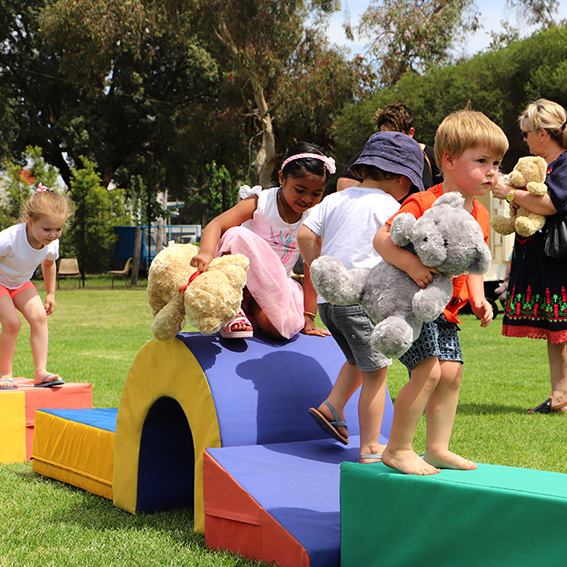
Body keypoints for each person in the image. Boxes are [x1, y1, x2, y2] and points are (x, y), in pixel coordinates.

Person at [374, 109, 509, 474]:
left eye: (496, 162)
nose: (492, 171)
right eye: (481, 161)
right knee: (429, 371)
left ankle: (437, 448)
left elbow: (475, 263)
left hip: (446, 309)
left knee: (451, 374)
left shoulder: (480, 213)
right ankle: (398, 447)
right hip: (413, 305)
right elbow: (382, 240)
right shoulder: (423, 201)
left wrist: (479, 298)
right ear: (448, 160)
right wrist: (413, 266)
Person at [299, 131, 425, 463]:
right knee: (376, 374)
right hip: (362, 302)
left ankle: (332, 407)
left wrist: (316, 267)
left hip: (330, 304)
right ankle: (370, 446)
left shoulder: (335, 199)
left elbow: (305, 234)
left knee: (357, 360)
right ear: (401, 179)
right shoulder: (388, 206)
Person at [190, 142, 333, 340]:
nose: (307, 198)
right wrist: (205, 252)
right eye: (300, 190)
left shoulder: (313, 219)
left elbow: (312, 269)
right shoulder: (262, 202)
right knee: (236, 234)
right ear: (282, 178)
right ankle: (232, 308)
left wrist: (309, 318)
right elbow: (216, 224)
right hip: (240, 281)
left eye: (316, 193)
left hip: (275, 285)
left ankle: (252, 312)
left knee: (280, 331)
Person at [493, 99, 567, 414]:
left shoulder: (564, 164)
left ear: (542, 133)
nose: (523, 139)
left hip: (559, 261)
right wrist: (519, 204)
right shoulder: (545, 166)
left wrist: (509, 193)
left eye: (526, 133)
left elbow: (551, 204)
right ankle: (560, 397)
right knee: (557, 332)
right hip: (546, 258)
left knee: (562, 331)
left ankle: (561, 397)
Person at [0, 184, 74, 390]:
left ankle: (41, 372)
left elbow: (49, 263)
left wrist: (50, 293)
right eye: (47, 229)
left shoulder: (51, 243)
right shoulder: (10, 239)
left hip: (20, 283)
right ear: (30, 222)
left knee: (40, 317)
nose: (52, 234)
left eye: (58, 229)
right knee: (12, 323)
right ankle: (4, 372)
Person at [337, 101, 443, 193]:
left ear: (411, 133)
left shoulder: (431, 157)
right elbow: (344, 186)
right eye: (383, 136)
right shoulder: (369, 156)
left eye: (396, 137)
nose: (388, 143)